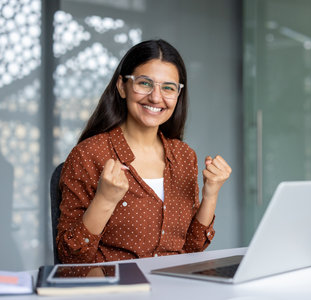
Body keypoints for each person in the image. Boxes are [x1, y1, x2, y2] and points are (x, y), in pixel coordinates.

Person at [56, 39, 232, 263]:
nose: (156, 97)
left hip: (174, 287)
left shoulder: (184, 156)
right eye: (144, 83)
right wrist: (105, 200)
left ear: (178, 95)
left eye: (168, 88)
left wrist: (211, 194)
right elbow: (70, 259)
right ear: (122, 86)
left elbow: (191, 250)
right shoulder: (89, 155)